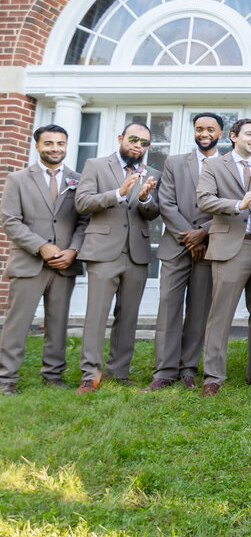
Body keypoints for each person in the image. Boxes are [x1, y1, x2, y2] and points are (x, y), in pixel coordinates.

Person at [196, 117, 251, 395]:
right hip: (230, 246)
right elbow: (204, 199)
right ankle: (213, 377)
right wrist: (238, 204)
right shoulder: (214, 165)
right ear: (234, 137)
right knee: (221, 315)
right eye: (249, 134)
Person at [73, 122, 160, 394]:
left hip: (136, 252)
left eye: (144, 143)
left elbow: (153, 213)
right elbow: (82, 203)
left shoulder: (152, 173)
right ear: (121, 138)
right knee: (97, 314)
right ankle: (90, 373)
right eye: (134, 139)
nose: (138, 145)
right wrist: (118, 194)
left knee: (129, 316)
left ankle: (119, 371)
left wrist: (145, 200)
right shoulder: (96, 165)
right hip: (103, 251)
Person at [0, 125, 87, 394]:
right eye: (48, 143)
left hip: (64, 264)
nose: (55, 149)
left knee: (58, 322)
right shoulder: (18, 179)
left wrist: (72, 250)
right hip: (29, 262)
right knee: (18, 322)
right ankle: (6, 379)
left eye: (60, 143)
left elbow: (85, 221)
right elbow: (10, 221)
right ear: (37, 145)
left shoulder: (78, 179)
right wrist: (41, 247)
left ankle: (53, 375)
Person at [144, 113, 223, 392]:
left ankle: (188, 368)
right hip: (177, 246)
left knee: (199, 310)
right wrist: (191, 237)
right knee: (168, 308)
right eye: (199, 128)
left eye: (210, 129)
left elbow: (231, 207)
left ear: (220, 134)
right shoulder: (175, 163)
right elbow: (165, 203)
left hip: (210, 247)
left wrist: (204, 233)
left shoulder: (227, 165)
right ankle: (164, 370)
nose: (204, 133)